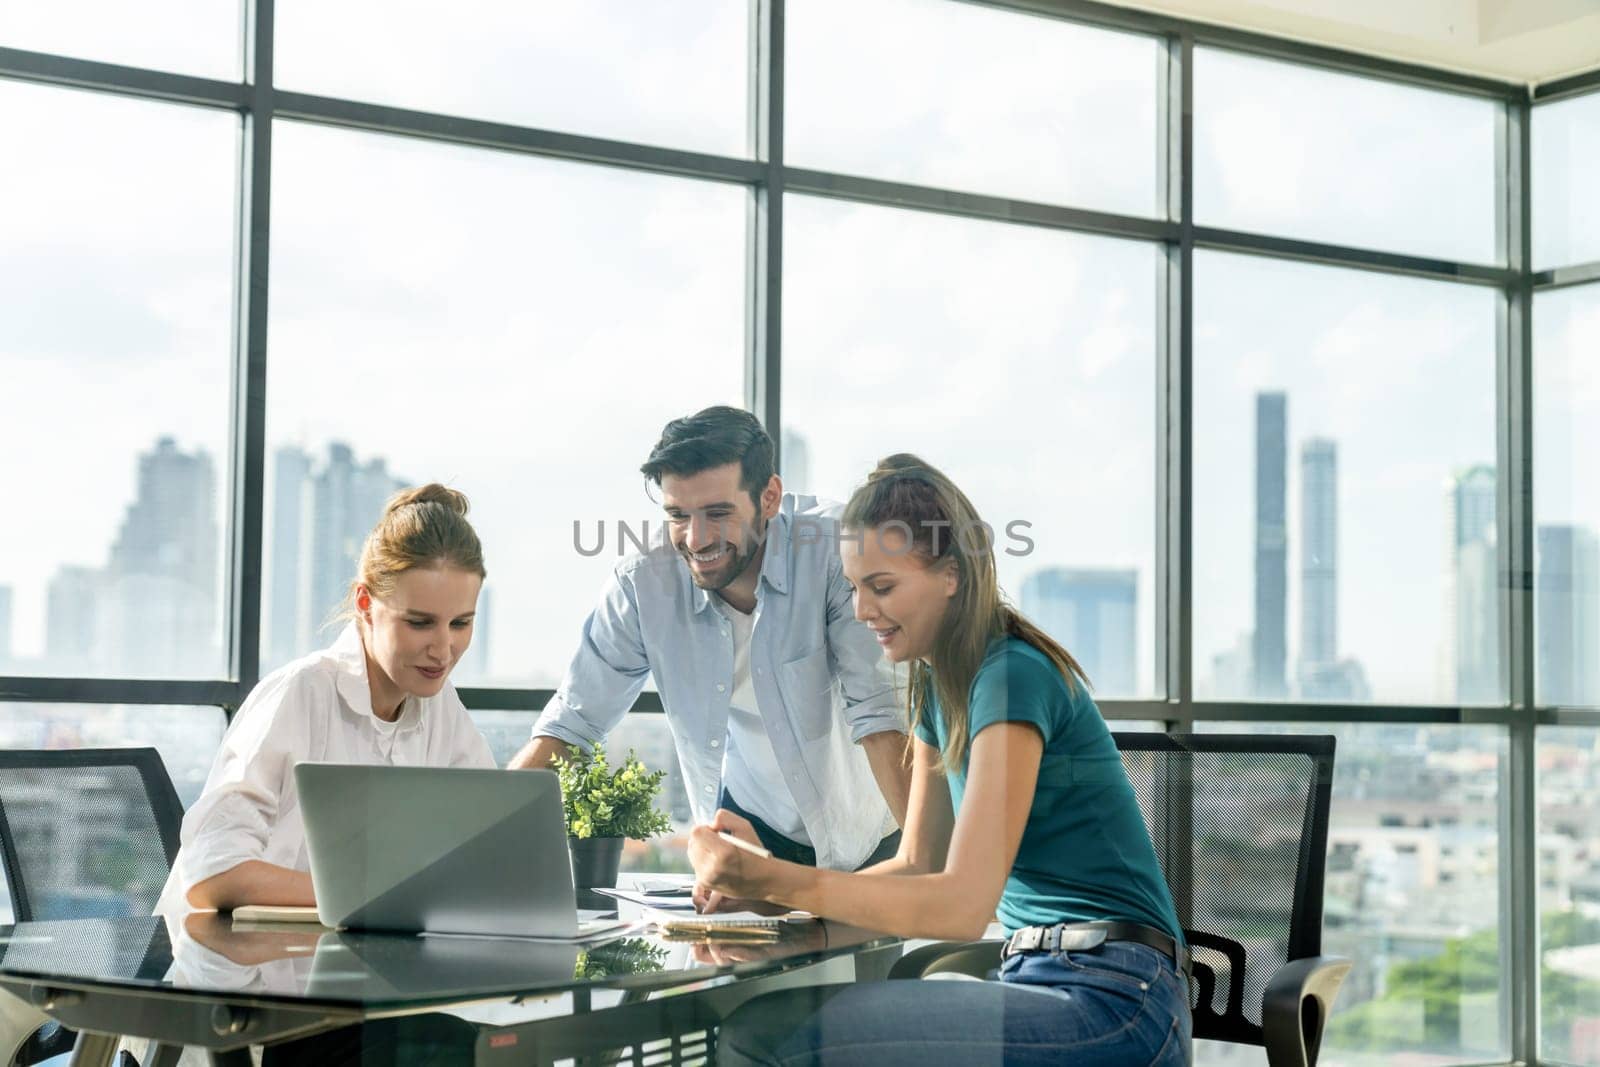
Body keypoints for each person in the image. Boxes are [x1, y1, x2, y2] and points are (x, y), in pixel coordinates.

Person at [687, 455, 1192, 1066]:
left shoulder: (1011, 676)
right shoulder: (939, 687)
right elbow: (917, 864)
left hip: (1115, 1001)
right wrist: (785, 916)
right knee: (777, 1022)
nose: (860, 610)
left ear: (951, 575)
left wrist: (772, 879)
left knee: (768, 1034)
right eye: (853, 587)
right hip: (1040, 979)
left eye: (882, 586)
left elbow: (961, 905)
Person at [510, 406, 910, 875]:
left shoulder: (836, 553)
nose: (696, 540)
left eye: (718, 513)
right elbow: (568, 730)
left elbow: (882, 720)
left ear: (770, 497)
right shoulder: (643, 586)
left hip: (867, 839)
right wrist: (472, 847)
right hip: (746, 839)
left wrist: (933, 872)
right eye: (678, 515)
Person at [157, 483, 496, 915]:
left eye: (461, 623)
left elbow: (487, 845)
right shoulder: (300, 693)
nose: (443, 648)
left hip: (346, 967)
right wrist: (379, 896)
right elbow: (212, 874)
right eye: (420, 623)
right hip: (236, 968)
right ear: (365, 603)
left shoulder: (440, 707)